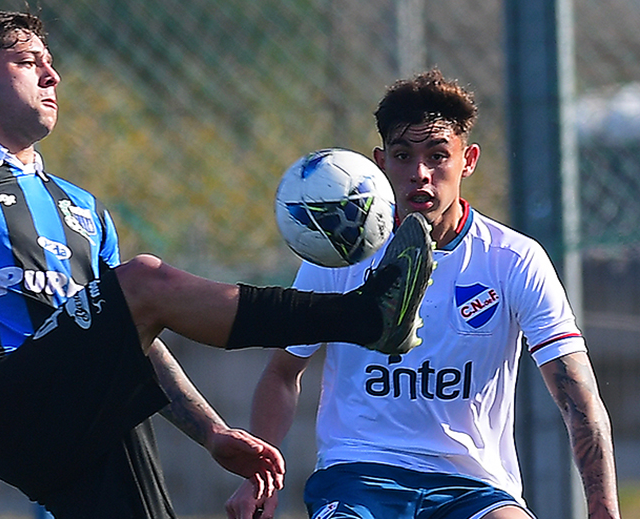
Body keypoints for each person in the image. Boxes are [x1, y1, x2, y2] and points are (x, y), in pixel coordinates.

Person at [0, 8, 434, 518]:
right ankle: (363, 315)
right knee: (143, 279)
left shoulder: (83, 207)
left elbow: (135, 335)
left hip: (84, 407)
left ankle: (366, 316)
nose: (52, 75)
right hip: (2, 401)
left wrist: (212, 433)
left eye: (50, 62)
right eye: (28, 62)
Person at [226, 69, 621, 519]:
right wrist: (256, 479)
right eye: (402, 155)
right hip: (359, 476)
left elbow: (576, 394)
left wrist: (603, 507)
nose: (420, 174)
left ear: (468, 160)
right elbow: (281, 372)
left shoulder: (513, 259)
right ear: (380, 162)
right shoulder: (340, 257)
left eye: (438, 156)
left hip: (474, 488)